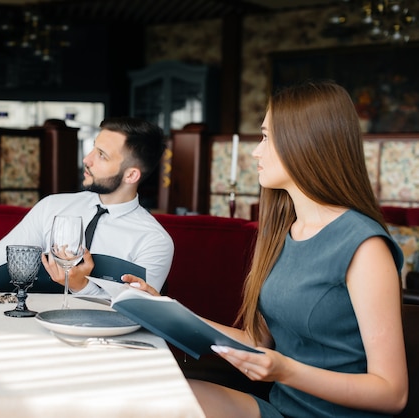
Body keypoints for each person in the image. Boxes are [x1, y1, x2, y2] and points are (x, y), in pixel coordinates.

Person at [125, 81, 408, 417]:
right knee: (157, 393)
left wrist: (287, 371)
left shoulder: (364, 245)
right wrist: (165, 308)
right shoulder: (284, 232)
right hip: (281, 408)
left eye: (267, 137)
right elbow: (257, 341)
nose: (256, 151)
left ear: (307, 142)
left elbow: (392, 393)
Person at [0, 116, 174, 296]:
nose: (87, 159)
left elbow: (139, 311)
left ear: (131, 175)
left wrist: (81, 286)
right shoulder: (53, 207)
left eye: (101, 155)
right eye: (93, 147)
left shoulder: (153, 240)